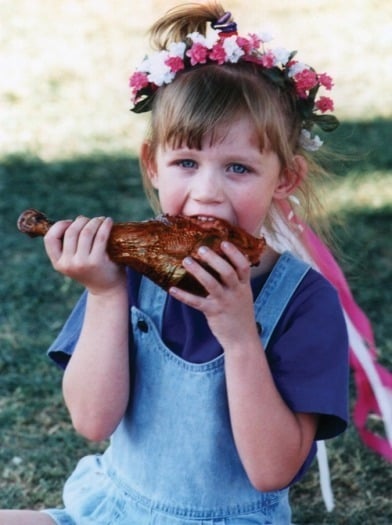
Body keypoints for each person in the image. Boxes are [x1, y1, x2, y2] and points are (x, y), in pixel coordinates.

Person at [1, 2, 350, 524]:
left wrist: (238, 335)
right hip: (115, 509)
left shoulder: (304, 302)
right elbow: (94, 420)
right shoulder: (128, 274)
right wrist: (105, 294)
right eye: (186, 163)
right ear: (153, 166)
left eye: (238, 167)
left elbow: (272, 469)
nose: (206, 193)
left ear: (284, 179)